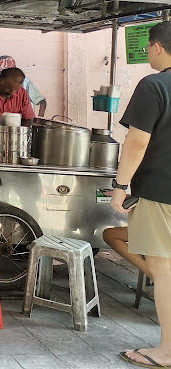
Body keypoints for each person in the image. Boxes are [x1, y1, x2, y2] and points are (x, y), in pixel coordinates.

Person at [111, 21, 171, 369]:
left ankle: (166, 352)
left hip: (162, 192)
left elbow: (136, 142)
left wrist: (120, 187)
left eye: (149, 47)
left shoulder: (155, 85)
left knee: (163, 271)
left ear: (159, 47)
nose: (148, 52)